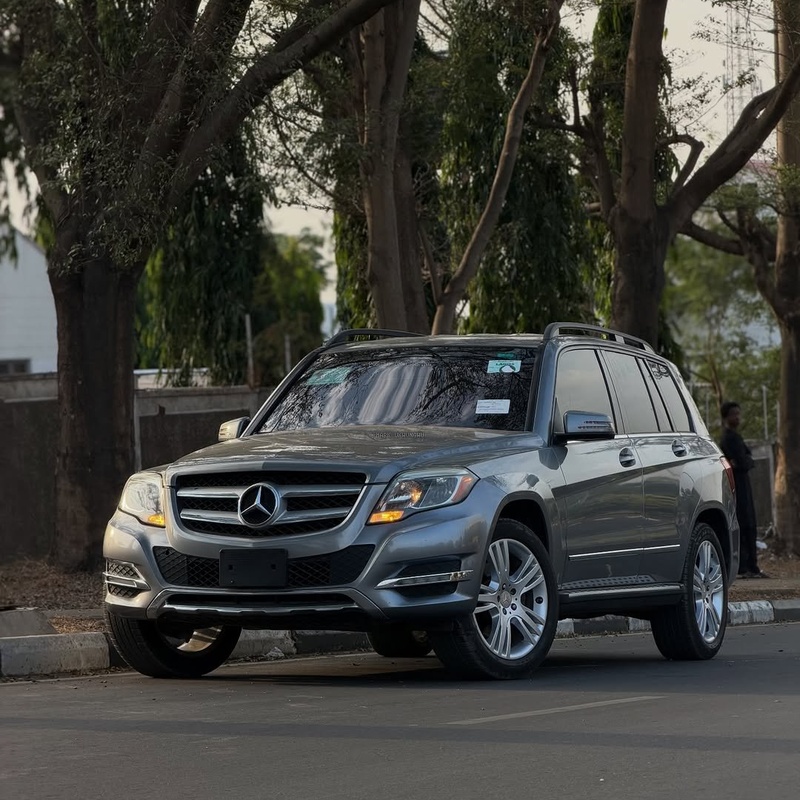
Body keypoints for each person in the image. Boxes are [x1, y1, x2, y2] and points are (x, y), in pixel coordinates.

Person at [719, 401, 767, 578]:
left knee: (750, 524)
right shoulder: (728, 438)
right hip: (737, 486)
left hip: (743, 484)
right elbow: (742, 461)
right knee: (744, 523)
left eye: (738, 414)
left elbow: (747, 459)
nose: (737, 418)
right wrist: (743, 461)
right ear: (726, 417)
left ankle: (752, 566)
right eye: (733, 414)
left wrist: (743, 461)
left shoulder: (735, 437)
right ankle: (746, 567)